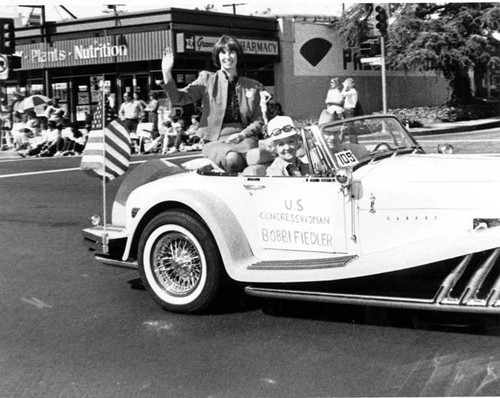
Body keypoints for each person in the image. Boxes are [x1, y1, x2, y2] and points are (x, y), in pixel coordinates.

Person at [161, 34, 264, 172]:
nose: (228, 57)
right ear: (217, 56)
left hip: (244, 138)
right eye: (223, 52)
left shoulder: (252, 85)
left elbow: (258, 120)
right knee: (233, 159)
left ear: (238, 55)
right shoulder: (206, 79)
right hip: (215, 141)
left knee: (254, 162)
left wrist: (242, 135)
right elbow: (179, 98)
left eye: (232, 52)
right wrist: (166, 73)